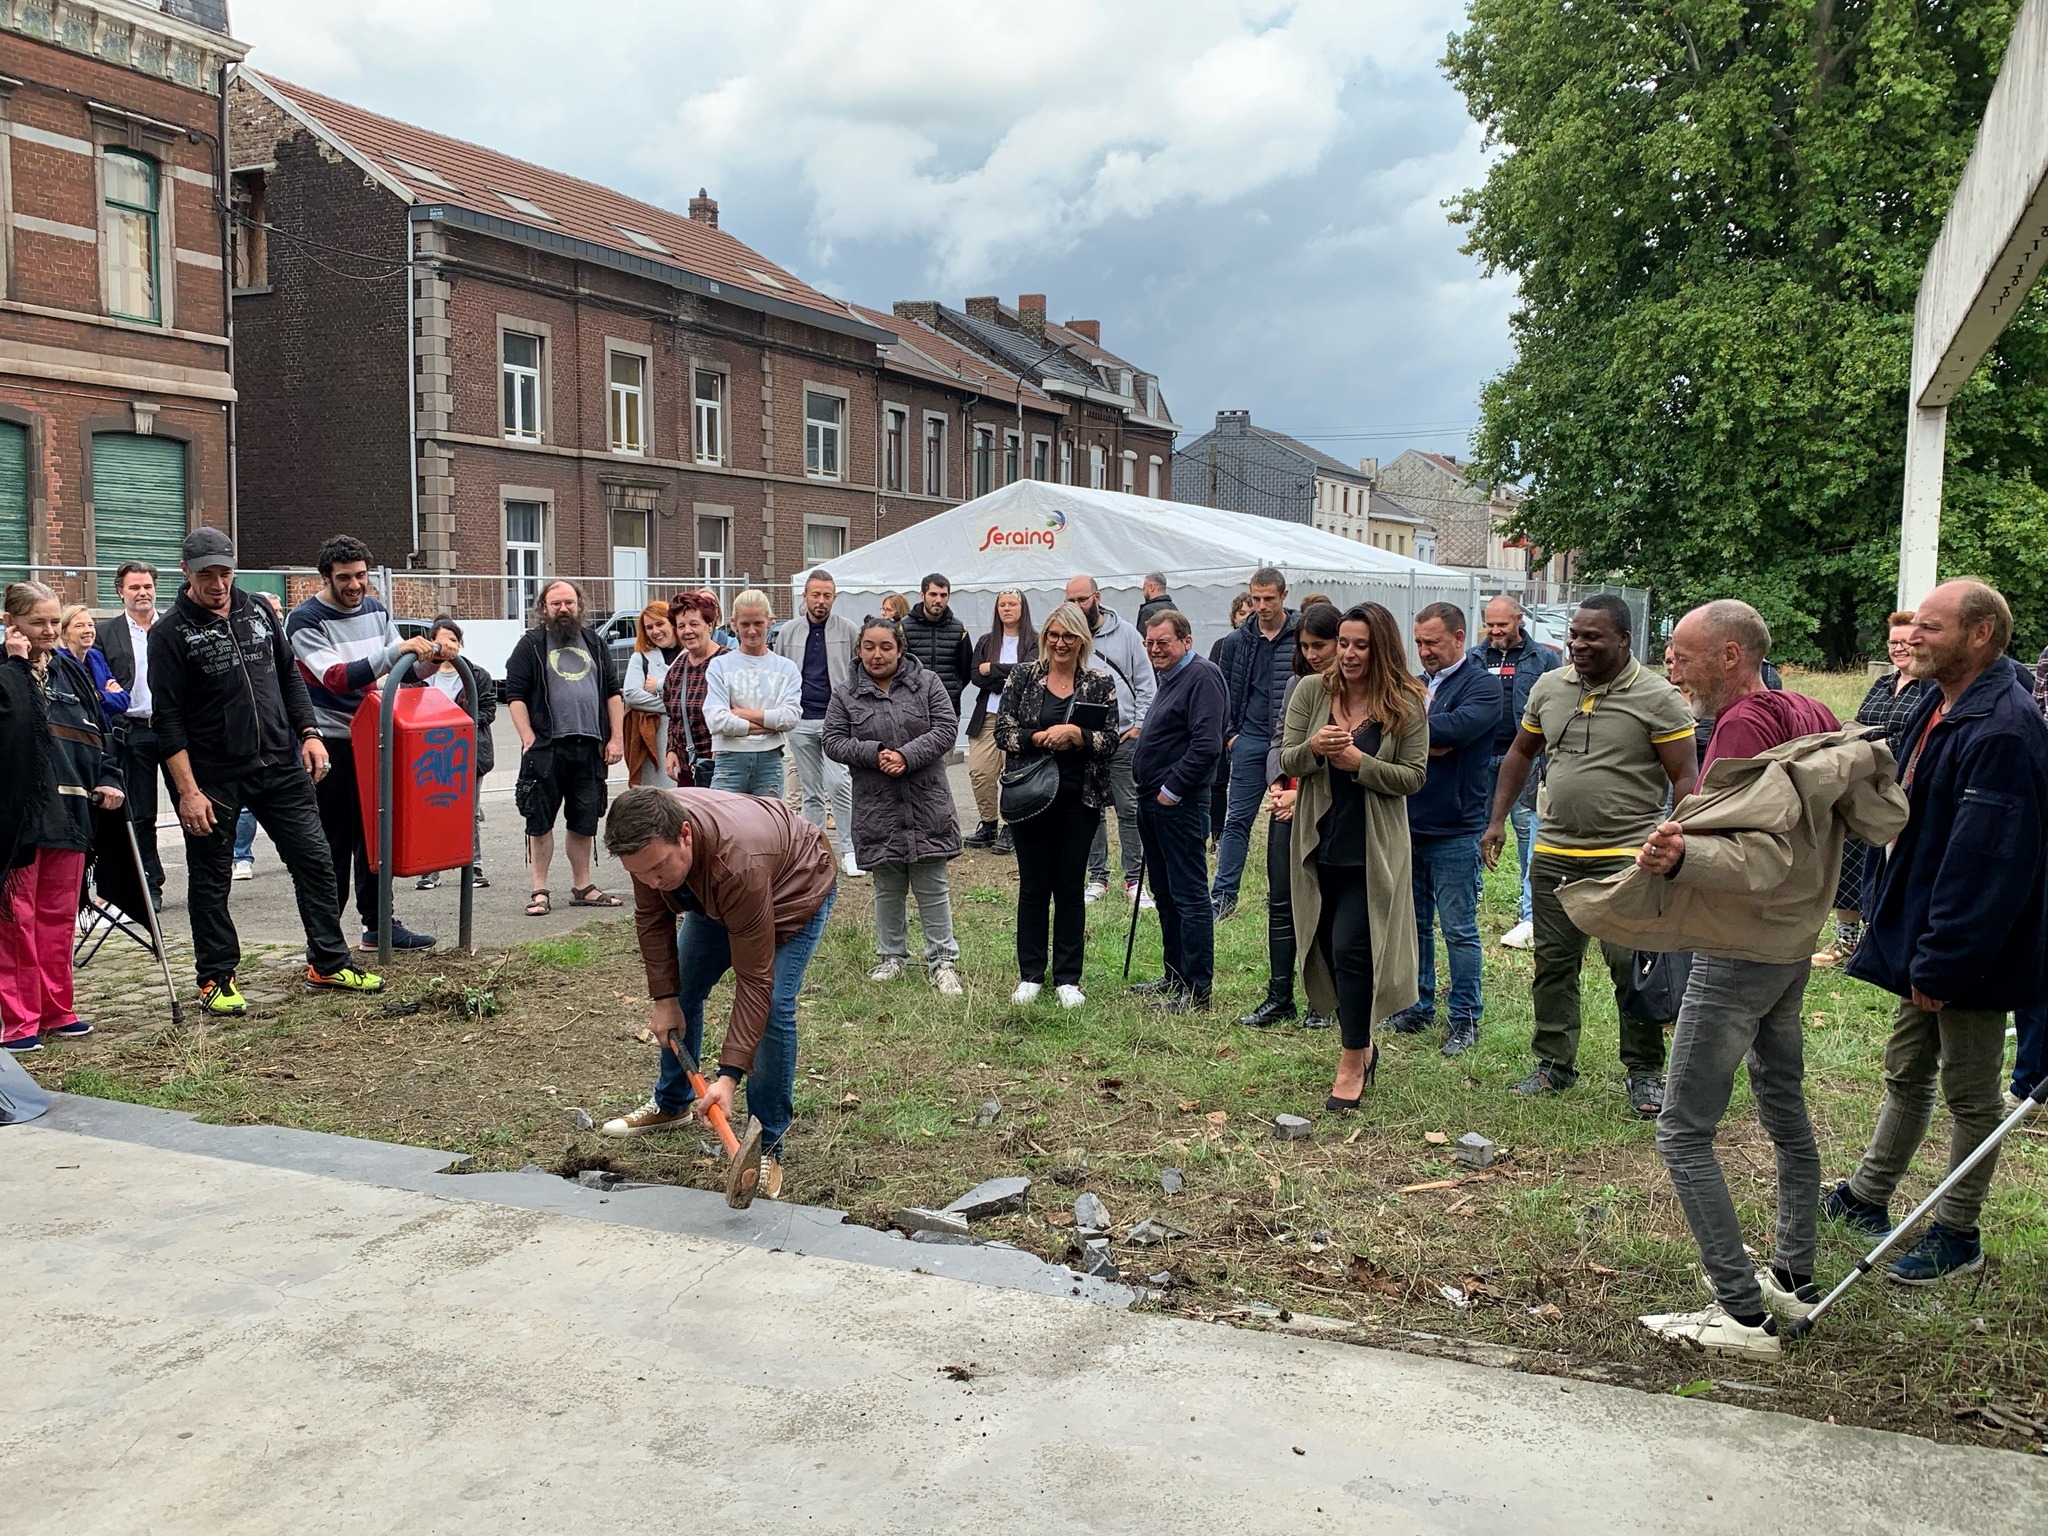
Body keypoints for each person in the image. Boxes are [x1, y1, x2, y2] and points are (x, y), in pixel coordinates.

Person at [1614, 600, 1886, 1360]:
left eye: (1682, 652)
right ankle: (1792, 1276)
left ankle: (1741, 1312)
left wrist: (1680, 858)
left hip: (1738, 946)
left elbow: (1758, 854)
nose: (1671, 664)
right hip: (1791, 943)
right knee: (1781, 1102)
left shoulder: (1738, 727)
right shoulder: (1809, 706)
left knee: (1682, 1130)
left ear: (1731, 655)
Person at [1826, 580, 2048, 1284]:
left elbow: (1987, 866)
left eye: (1930, 626)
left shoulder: (2005, 729)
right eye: (1913, 626)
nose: (1912, 636)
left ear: (1979, 635)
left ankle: (1958, 1232)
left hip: (1971, 952)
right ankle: (1868, 1194)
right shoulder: (1937, 701)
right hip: (1925, 935)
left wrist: (1943, 965)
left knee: (1971, 1093)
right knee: (1905, 1070)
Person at [149, 528, 382, 1012]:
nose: (218, 584)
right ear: (185, 572)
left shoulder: (257, 610)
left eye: (225, 573)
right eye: (207, 575)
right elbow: (166, 720)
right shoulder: (170, 632)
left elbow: (289, 679)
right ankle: (215, 977)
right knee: (212, 878)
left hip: (278, 761)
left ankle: (328, 961)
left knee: (315, 860)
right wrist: (187, 790)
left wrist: (310, 734)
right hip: (212, 773)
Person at [1482, 595, 1697, 1114]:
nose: (1577, 644)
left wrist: (1682, 838)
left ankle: (1644, 1071)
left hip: (1627, 856)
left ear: (1623, 640)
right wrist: (1496, 822)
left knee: (1631, 967)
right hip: (1554, 850)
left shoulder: (1657, 697)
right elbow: (1520, 753)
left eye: (1591, 636)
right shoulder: (1549, 687)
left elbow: (1685, 776)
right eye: (1574, 634)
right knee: (1553, 963)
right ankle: (1554, 1065)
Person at [596, 786, 837, 1201]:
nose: (651, 881)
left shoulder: (738, 863)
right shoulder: (649, 851)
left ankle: (766, 1143)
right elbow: (652, 920)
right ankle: (673, 1104)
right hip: (711, 892)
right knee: (683, 989)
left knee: (775, 1005)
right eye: (639, 874)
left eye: (657, 868)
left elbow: (755, 980)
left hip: (792, 888)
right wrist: (664, 999)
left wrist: (727, 1078)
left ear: (684, 835)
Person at [1279, 603, 1428, 1109]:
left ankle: (1351, 1058)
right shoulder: (1310, 691)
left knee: (1352, 949)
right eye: (1343, 643)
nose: (1348, 654)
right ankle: (1363, 1047)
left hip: (1374, 848)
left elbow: (1413, 776)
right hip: (1318, 842)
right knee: (1326, 949)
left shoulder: (1405, 701)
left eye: (1360, 645)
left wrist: (1359, 763)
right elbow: (1286, 757)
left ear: (1380, 647)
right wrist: (1317, 750)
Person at [287, 535, 439, 951]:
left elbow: (402, 672)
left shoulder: (376, 610)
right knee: (332, 841)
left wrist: (432, 659)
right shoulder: (304, 620)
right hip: (329, 740)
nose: (355, 586)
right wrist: (397, 651)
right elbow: (335, 677)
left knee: (376, 834)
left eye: (361, 576)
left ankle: (378, 925)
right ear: (325, 578)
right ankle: (326, 938)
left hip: (373, 734)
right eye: (344, 578)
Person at [0, 583, 123, 1053]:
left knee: (58, 917)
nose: (49, 632)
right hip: (20, 816)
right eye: (38, 624)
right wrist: (15, 665)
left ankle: (57, 1009)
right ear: (12, 622)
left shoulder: (70, 671)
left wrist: (111, 776)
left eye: (55, 622)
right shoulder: (5, 670)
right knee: (17, 920)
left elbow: (101, 731)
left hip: (72, 811)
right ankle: (19, 1020)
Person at [823, 616, 962, 995]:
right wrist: (874, 753)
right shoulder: (845, 694)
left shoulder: (928, 682)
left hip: (926, 799)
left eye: (886, 646)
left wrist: (906, 755)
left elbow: (946, 728)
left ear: (900, 649)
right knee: (887, 884)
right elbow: (832, 740)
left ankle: (943, 960)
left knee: (932, 884)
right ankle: (892, 957)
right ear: (859, 650)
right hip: (876, 804)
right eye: (869, 646)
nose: (877, 654)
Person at [1385, 602, 1499, 1057]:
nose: (1424, 650)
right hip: (1409, 822)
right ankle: (1418, 1005)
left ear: (1458, 637)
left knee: (1459, 928)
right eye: (1419, 642)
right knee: (1414, 926)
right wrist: (1422, 737)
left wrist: (1416, 735)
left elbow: (1453, 730)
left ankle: (1465, 1017)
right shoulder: (1414, 685)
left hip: (1455, 827)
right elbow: (1392, 733)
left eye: (1432, 642)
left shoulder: (1484, 687)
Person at [993, 601, 1120, 1009]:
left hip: (1079, 799)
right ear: (1045, 637)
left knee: (1069, 888)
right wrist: (1039, 737)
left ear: (1082, 639)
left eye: (1069, 636)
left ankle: (1068, 978)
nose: (1060, 643)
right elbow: (1002, 732)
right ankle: (1030, 974)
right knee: (1033, 887)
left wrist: (1078, 736)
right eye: (1054, 635)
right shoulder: (1023, 677)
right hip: (1030, 796)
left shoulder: (1099, 682)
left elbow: (1112, 740)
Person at [1812, 612, 1934, 967]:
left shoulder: (1930, 687)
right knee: (1849, 855)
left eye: (1906, 642)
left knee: (1895, 866)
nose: (1899, 649)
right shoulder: (1883, 683)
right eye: (1893, 642)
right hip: (1866, 784)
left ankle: (1884, 939)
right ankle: (1847, 940)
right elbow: (1861, 724)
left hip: (1904, 786)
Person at [1240, 601, 1341, 1030]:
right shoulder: (1298, 684)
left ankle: (1324, 1000)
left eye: (1321, 645)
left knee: (1325, 905)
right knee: (1280, 902)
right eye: (1306, 646)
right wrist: (1279, 784)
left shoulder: (1353, 690)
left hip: (1328, 808)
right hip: (1287, 804)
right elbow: (1279, 741)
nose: (1313, 654)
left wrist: (1302, 798)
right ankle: (1279, 994)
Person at [505, 578, 626, 916]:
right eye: (556, 603)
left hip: (589, 747)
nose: (563, 609)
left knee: (584, 819)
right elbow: (514, 695)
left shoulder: (595, 643)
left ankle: (583, 885)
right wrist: (528, 737)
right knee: (539, 821)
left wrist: (615, 738)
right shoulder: (530, 645)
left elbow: (613, 693)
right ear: (544, 608)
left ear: (579, 606)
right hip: (546, 747)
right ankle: (539, 889)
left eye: (569, 603)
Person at [1130, 609, 1228, 1011]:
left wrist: (1173, 789)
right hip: (1153, 802)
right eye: (1150, 643)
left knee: (1189, 896)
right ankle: (1175, 976)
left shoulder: (1202, 677)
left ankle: (1196, 990)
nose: (1155, 650)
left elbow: (1207, 743)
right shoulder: (1170, 678)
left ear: (1186, 641)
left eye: (1163, 643)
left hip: (1179, 803)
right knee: (1166, 893)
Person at [1214, 567, 1300, 920]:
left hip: (1292, 740)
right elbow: (1225, 690)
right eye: (1256, 599)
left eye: (1269, 598)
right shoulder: (1238, 641)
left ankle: (1285, 895)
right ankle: (1222, 896)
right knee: (1238, 820)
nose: (1262, 606)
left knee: (1291, 821)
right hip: (1248, 738)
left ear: (1284, 596)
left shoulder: (1301, 635)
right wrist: (1231, 735)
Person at [1476, 594, 1560, 948]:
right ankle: (1471, 896)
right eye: (1490, 625)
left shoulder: (1544, 658)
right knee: (1476, 827)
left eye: (1502, 625)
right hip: (1482, 756)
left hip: (1526, 758)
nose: (1496, 631)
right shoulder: (1475, 659)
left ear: (1518, 620)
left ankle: (1528, 912)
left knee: (1528, 832)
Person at [1067, 574, 1155, 906]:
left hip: (1123, 738)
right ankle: (1097, 878)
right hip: (1084, 740)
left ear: (1097, 597)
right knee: (1090, 809)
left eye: (1082, 599)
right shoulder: (1067, 637)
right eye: (1071, 601)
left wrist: (1139, 726)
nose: (1077, 606)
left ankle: (1134, 880)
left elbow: (1146, 682)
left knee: (1128, 808)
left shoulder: (1127, 635)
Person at [774, 570, 861, 878]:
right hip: (799, 720)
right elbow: (780, 670)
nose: (821, 601)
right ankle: (817, 853)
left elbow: (858, 671)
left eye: (827, 595)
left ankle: (851, 850)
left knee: (839, 783)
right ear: (805, 596)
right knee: (810, 792)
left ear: (834, 597)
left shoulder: (848, 629)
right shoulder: (789, 631)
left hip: (835, 720)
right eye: (816, 594)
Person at [93, 560, 170, 907]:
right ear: (120, 591)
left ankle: (208, 881)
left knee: (194, 803)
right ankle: (150, 884)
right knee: (141, 813)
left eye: (148, 586)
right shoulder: (106, 633)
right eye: (135, 587)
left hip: (174, 729)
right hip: (134, 730)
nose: (143, 593)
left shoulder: (171, 626)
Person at [409, 617, 495, 891]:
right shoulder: (419, 675)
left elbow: (489, 710)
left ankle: (473, 865)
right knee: (432, 809)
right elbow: (410, 706)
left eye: (453, 640)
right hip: (430, 752)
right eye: (442, 640)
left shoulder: (476, 674)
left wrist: (460, 722)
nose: (447, 646)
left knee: (468, 810)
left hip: (465, 751)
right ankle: (431, 870)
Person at [703, 589, 801, 797]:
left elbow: (791, 717)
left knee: (768, 827)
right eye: (745, 624)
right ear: (734, 623)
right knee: (725, 825)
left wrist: (741, 714)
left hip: (770, 760)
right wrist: (768, 725)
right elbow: (716, 720)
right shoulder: (719, 665)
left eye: (758, 623)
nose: (752, 631)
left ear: (769, 621)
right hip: (729, 759)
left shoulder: (786, 668)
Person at [964, 589, 1035, 856]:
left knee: (1013, 774)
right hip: (987, 716)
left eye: (1012, 604)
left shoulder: (1034, 641)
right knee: (980, 771)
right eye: (1002, 604)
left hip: (1019, 718)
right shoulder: (986, 640)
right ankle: (989, 823)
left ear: (1022, 607)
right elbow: (975, 675)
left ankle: (1011, 827)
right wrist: (1006, 675)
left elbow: (1030, 671)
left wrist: (992, 668)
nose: (1007, 608)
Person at [661, 590, 728, 790]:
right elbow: (674, 718)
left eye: (694, 624)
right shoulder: (677, 668)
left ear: (709, 625)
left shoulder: (728, 662)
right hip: (689, 769)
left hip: (726, 767)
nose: (687, 631)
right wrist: (671, 750)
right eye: (681, 626)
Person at [1208, 591, 1252, 848]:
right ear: (1234, 617)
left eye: (1250, 613)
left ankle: (1236, 834)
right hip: (1224, 721)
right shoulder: (1222, 645)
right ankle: (1217, 835)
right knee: (1218, 781)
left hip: (1249, 725)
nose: (1246, 618)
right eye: (1241, 612)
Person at [621, 600, 680, 790]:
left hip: (687, 741)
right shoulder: (640, 657)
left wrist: (659, 686)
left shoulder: (691, 654)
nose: (655, 631)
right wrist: (677, 705)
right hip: (654, 742)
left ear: (672, 622)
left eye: (659, 623)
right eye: (649, 627)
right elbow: (631, 695)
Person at [899, 573, 973, 719]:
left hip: (947, 708)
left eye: (943, 595)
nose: (938, 600)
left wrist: (953, 689)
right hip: (912, 709)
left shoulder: (959, 629)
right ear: (922, 595)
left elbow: (966, 671)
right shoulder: (903, 627)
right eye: (933, 594)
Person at [60, 602, 128, 731]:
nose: (88, 630)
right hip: (76, 734)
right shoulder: (60, 661)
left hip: (103, 733)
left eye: (90, 625)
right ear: (64, 633)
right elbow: (77, 703)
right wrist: (106, 696)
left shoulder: (96, 656)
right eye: (79, 626)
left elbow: (123, 701)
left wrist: (99, 696)